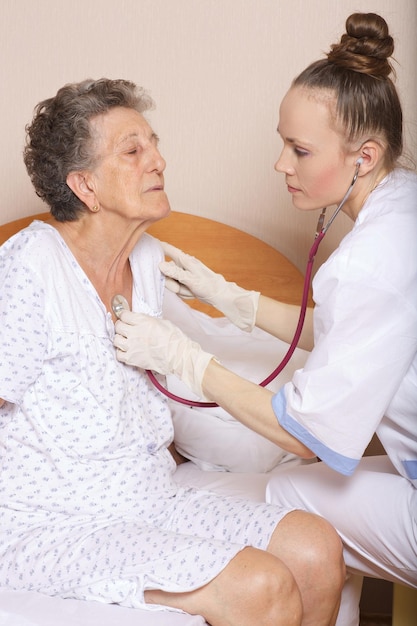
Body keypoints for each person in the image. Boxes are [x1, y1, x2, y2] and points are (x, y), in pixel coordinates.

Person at [0, 78, 345, 626]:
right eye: (132, 151)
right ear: (84, 186)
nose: (158, 159)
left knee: (315, 548)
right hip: (55, 523)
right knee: (259, 585)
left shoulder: (147, 260)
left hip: (150, 498)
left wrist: (228, 300)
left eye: (154, 143)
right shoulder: (29, 265)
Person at [113, 12, 417, 625]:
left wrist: (189, 362)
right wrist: (236, 302)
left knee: (283, 498)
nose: (281, 163)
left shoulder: (369, 261)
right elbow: (350, 331)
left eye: (300, 150)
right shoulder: (404, 203)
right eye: (283, 142)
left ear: (365, 155)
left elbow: (305, 438)